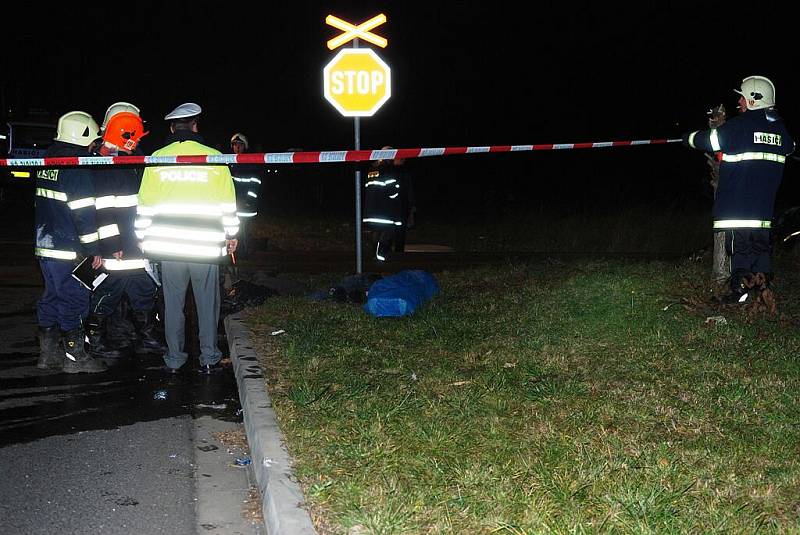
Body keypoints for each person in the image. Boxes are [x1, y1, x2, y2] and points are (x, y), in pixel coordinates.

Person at [136, 103, 239, 374]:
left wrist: (141, 237)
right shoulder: (214, 157)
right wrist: (231, 233)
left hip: (169, 247)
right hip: (204, 246)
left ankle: (174, 359)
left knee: (173, 305)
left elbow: (144, 204)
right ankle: (208, 357)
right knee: (207, 304)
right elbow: (227, 203)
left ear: (172, 128)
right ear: (195, 126)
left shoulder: (157, 158)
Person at [683, 75, 795, 304]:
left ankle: (739, 294)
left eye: (743, 98)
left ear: (754, 100)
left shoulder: (740, 126)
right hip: (763, 209)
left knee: (740, 250)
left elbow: (711, 141)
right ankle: (762, 293)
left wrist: (688, 138)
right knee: (761, 250)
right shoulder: (780, 129)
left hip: (739, 205)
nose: (739, 103)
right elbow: (790, 147)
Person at [86, 108, 165, 363]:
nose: (139, 141)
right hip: (118, 245)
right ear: (124, 136)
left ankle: (146, 337)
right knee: (109, 292)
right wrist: (112, 242)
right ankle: (94, 339)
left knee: (142, 289)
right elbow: (103, 207)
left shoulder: (127, 157)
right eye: (136, 137)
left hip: (133, 240)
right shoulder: (106, 162)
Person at [34, 111, 107, 374]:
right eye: (94, 141)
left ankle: (47, 355)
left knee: (52, 297)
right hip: (70, 249)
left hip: (45, 245)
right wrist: (93, 251)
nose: (94, 146)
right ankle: (76, 359)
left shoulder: (47, 160)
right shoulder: (76, 168)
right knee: (74, 300)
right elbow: (84, 215)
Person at [362, 146, 415, 261]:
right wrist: (397, 192)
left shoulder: (372, 170)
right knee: (387, 233)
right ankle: (381, 257)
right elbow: (392, 191)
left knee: (376, 233)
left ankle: (375, 256)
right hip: (385, 211)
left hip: (371, 210)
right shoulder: (388, 170)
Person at [229, 132, 263, 255]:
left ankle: (244, 254)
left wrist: (248, 201)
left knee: (244, 231)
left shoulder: (251, 163)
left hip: (246, 207)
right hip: (234, 206)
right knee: (234, 232)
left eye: (240, 145)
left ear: (245, 146)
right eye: (235, 145)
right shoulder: (230, 163)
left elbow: (255, 183)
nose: (237, 147)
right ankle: (238, 255)